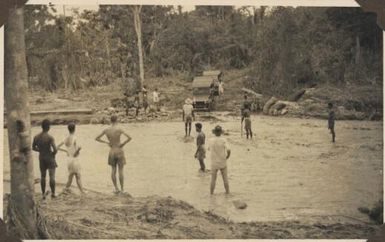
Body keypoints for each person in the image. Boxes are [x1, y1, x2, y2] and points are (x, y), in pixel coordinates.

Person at [95, 115, 132, 194]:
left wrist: (106, 142)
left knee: (113, 170)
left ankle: (116, 188)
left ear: (110, 121)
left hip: (112, 151)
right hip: (119, 150)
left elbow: (97, 138)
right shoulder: (119, 129)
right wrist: (123, 144)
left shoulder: (106, 129)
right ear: (117, 120)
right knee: (121, 170)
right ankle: (122, 189)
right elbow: (129, 137)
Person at [32, 119, 58, 199]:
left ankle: (43, 194)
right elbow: (55, 149)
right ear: (48, 127)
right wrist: (53, 154)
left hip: (41, 157)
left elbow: (33, 148)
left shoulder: (36, 137)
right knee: (52, 177)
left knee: (43, 176)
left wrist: (40, 150)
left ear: (42, 127)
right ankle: (53, 193)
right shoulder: (50, 137)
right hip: (49, 157)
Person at [57, 122, 85, 194]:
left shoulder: (65, 138)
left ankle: (66, 188)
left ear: (68, 129)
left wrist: (66, 151)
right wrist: (78, 150)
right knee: (78, 176)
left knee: (70, 176)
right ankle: (82, 191)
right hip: (75, 159)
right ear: (74, 129)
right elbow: (77, 151)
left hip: (69, 159)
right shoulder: (75, 138)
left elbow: (57, 147)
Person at [208, 125, 231, 195]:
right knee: (225, 179)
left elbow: (208, 149)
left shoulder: (210, 140)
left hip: (214, 162)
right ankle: (227, 193)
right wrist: (227, 156)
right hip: (222, 162)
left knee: (213, 180)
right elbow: (229, 149)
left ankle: (211, 194)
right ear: (221, 132)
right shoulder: (224, 140)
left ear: (214, 132)